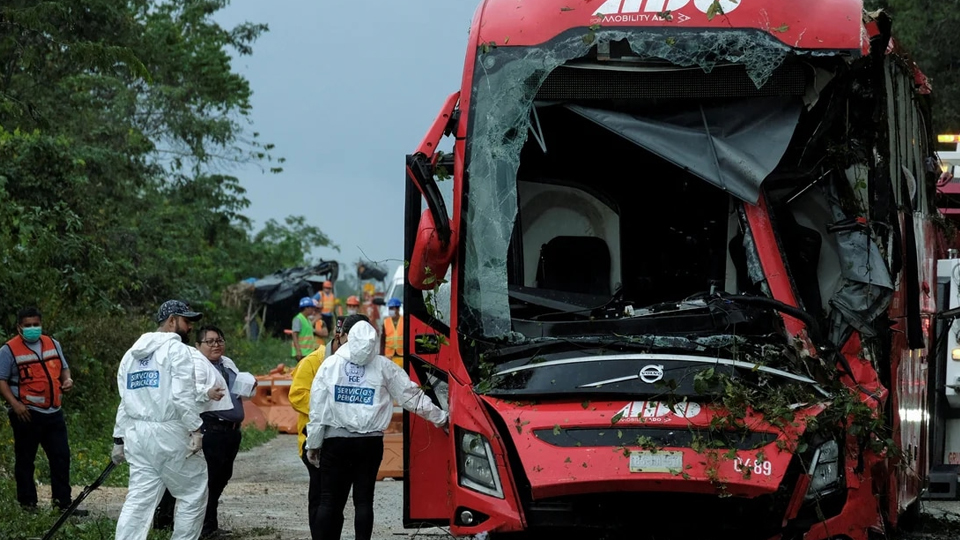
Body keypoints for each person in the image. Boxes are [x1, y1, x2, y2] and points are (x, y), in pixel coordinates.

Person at [305, 321, 448, 540]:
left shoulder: (330, 365)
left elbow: (317, 408)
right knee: (363, 501)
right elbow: (411, 396)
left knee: (328, 500)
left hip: (336, 442)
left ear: (349, 338)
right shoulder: (384, 366)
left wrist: (313, 444)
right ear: (375, 342)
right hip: (369, 444)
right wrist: (441, 418)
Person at [112, 300, 207, 540]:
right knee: (192, 492)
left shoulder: (130, 355)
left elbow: (125, 400)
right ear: (172, 320)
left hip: (137, 435)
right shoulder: (178, 351)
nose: (190, 327)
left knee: (139, 500)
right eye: (187, 321)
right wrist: (195, 428)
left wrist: (118, 438)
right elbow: (182, 395)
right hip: (169, 432)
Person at [155, 325, 244, 539]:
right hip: (210, 427)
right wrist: (206, 392)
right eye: (210, 341)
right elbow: (186, 390)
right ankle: (201, 527)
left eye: (219, 340)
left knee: (221, 477)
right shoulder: (194, 364)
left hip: (230, 430)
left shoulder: (227, 363)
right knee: (207, 479)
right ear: (198, 345)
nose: (216, 345)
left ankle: (205, 523)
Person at [0, 307, 87, 515]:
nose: (32, 329)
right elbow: (1, 381)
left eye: (35, 324)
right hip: (27, 413)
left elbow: (64, 368)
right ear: (19, 326)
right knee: (25, 460)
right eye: (28, 325)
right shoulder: (8, 350)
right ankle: (28, 504)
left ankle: (63, 504)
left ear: (41, 324)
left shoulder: (52, 343)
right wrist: (16, 404)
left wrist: (67, 380)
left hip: (53, 411)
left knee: (61, 457)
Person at [289, 314, 368, 540]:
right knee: (321, 498)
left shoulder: (356, 362)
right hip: (316, 441)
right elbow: (296, 395)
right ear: (339, 335)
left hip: (342, 443)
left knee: (337, 498)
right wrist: (331, 410)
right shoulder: (312, 362)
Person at [292, 296, 318, 361]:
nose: (313, 310)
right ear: (306, 308)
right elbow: (294, 335)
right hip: (302, 353)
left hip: (308, 352)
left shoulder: (307, 319)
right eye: (311, 308)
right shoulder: (298, 319)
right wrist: (298, 351)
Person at [380, 298, 403, 368]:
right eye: (390, 308)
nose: (391, 311)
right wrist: (381, 355)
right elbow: (382, 340)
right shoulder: (386, 322)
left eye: (392, 308)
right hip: (389, 356)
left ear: (398, 309)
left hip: (401, 355)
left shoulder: (404, 321)